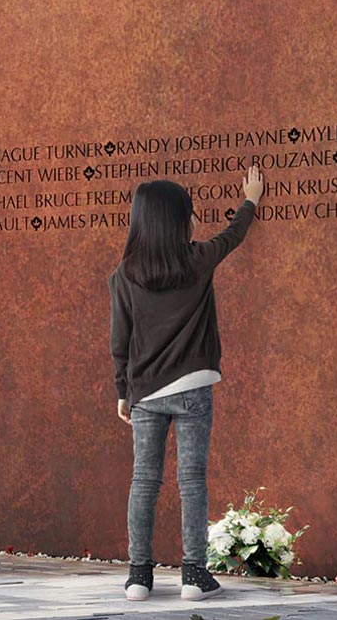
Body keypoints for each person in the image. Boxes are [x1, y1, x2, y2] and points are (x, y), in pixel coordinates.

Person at [108, 166, 264, 601]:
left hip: (145, 393)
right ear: (179, 220)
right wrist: (251, 198)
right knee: (191, 480)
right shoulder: (196, 260)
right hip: (193, 386)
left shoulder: (125, 275)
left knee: (144, 481)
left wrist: (123, 390)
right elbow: (233, 236)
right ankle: (194, 575)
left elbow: (119, 340)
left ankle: (139, 575)